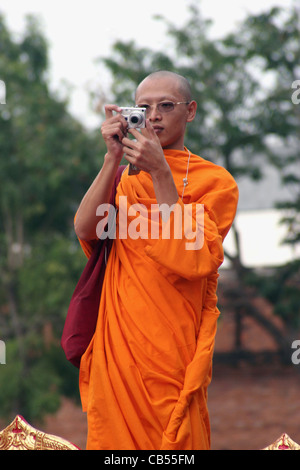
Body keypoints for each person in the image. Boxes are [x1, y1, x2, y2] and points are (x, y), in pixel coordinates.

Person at [75, 71, 239, 450]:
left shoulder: (215, 183)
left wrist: (161, 172)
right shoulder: (123, 180)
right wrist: (111, 159)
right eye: (144, 108)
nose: (155, 116)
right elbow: (86, 230)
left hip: (172, 356)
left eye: (166, 105)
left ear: (191, 111)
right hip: (119, 357)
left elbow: (195, 257)